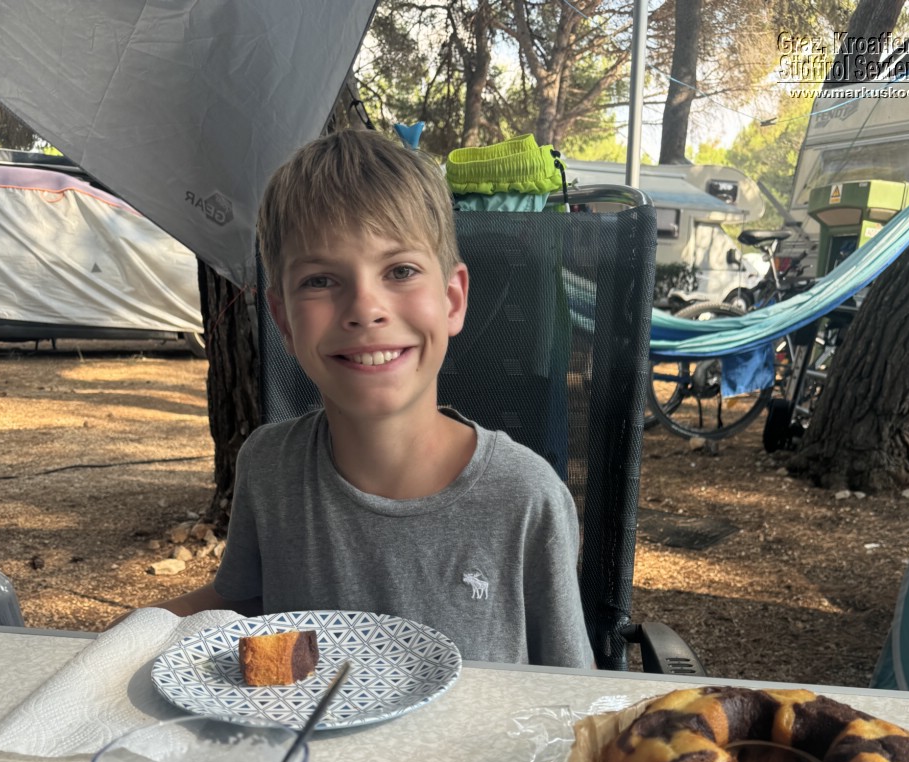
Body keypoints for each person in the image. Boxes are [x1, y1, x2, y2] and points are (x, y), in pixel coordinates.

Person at [157, 128, 593, 668]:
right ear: (283, 320)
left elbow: (572, 692)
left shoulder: (526, 498)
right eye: (320, 280)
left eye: (400, 271)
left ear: (452, 300)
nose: (365, 308)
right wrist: (120, 637)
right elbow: (245, 605)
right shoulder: (268, 468)